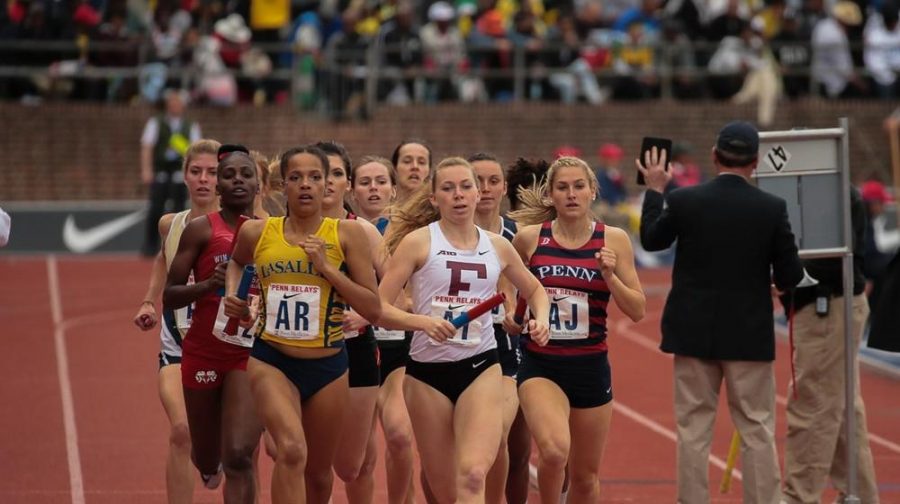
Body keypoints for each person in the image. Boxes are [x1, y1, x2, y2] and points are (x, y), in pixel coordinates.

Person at [638, 121, 804, 504]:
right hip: (748, 334)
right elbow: (791, 274)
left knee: (693, 430)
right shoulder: (771, 208)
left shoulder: (685, 200)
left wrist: (654, 189)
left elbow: (651, 239)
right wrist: (775, 281)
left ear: (714, 157)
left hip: (693, 333)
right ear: (756, 162)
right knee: (757, 429)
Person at [378, 157, 550, 503]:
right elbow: (379, 308)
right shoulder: (417, 243)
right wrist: (423, 323)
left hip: (481, 367)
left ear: (477, 194)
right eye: (448, 188)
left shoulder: (497, 245)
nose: (458, 195)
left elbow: (535, 289)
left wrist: (542, 318)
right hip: (426, 375)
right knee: (446, 492)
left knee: (473, 475)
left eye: (465, 187)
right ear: (434, 198)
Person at [223, 145, 380, 504]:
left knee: (320, 475)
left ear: (327, 185)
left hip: (329, 366)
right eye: (296, 178)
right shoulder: (257, 232)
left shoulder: (347, 235)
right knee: (291, 450)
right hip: (272, 360)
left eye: (314, 177)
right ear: (283, 185)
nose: (305, 185)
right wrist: (233, 296)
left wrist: (326, 269)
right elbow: (235, 264)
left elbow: (372, 308)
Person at [508, 156, 646, 502]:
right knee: (554, 452)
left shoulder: (613, 241)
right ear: (551, 196)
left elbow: (638, 310)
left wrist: (610, 277)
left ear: (592, 191)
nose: (571, 194)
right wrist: (512, 314)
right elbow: (505, 286)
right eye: (562, 187)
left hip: (591, 366)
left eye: (579, 186)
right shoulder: (528, 239)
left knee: (585, 478)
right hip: (541, 363)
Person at [163, 144, 264, 503]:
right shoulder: (201, 231)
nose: (238, 180)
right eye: (229, 175)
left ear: (258, 186)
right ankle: (209, 464)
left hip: (249, 355)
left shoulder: (272, 234)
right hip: (204, 352)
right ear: (218, 188)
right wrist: (207, 285)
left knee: (239, 455)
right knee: (207, 457)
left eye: (246, 174)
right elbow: (170, 295)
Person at [132, 138, 220, 503]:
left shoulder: (246, 226)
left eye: (212, 173)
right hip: (177, 345)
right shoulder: (171, 224)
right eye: (195, 171)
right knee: (182, 430)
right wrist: (148, 301)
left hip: (226, 349)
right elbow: (164, 261)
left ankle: (214, 459)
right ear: (184, 177)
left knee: (231, 447)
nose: (203, 179)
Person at [781, 187, 880, 504]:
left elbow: (833, 261)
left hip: (828, 306)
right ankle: (861, 494)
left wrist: (782, 274)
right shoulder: (835, 194)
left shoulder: (830, 197)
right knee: (844, 404)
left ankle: (800, 496)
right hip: (836, 304)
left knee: (813, 402)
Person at [316, 141, 385, 503]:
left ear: (349, 184)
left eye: (337, 174)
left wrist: (364, 313)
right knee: (292, 453)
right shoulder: (282, 231)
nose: (327, 182)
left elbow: (398, 295)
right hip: (296, 351)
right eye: (320, 174)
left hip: (355, 350)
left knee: (350, 466)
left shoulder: (365, 233)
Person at [468, 153, 524, 503]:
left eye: (492, 181)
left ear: (504, 188)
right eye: (477, 181)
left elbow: (535, 288)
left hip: (507, 350)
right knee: (453, 449)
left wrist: (519, 311)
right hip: (453, 348)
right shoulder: (437, 235)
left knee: (504, 438)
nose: (485, 189)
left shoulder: (519, 235)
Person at [140, 88, 202, 256]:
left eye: (178, 103)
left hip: (179, 172)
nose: (175, 106)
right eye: (172, 103)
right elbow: (147, 147)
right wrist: (147, 170)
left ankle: (179, 244)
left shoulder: (191, 126)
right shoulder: (156, 122)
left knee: (180, 208)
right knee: (155, 208)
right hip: (161, 170)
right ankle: (150, 246)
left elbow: (195, 150)